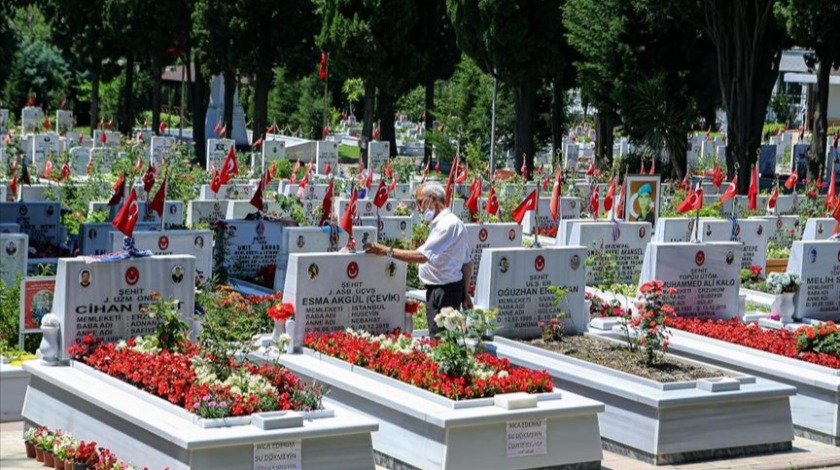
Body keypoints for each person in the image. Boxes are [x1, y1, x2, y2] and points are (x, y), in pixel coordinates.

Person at [365, 181, 472, 336]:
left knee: (440, 341)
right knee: (444, 339)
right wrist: (465, 292)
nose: (418, 208)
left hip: (443, 292)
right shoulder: (450, 223)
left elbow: (422, 257)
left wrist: (386, 250)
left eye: (420, 202)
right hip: (446, 289)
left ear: (433, 199)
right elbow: (467, 262)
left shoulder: (446, 225)